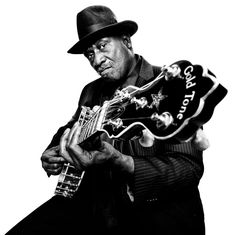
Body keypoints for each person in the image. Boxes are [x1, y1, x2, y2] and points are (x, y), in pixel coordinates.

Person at [6, 5, 211, 235]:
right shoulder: (91, 91)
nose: (97, 60)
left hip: (153, 214)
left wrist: (122, 161)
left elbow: (188, 169)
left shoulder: (167, 86)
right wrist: (55, 150)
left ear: (126, 41)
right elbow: (72, 126)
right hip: (96, 207)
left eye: (102, 46)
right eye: (90, 54)